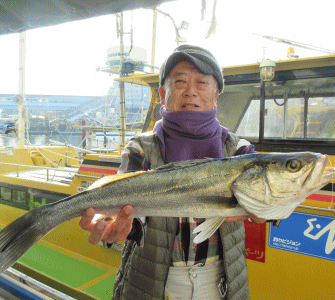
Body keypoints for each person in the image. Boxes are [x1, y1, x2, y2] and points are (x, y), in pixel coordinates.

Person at [79, 45, 265, 300]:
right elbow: (130, 206)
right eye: (180, 82)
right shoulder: (141, 148)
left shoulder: (239, 150)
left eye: (201, 82)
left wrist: (266, 210)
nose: (191, 91)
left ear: (216, 94)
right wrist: (124, 225)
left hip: (222, 285)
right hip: (153, 286)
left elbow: (269, 193)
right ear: (162, 93)